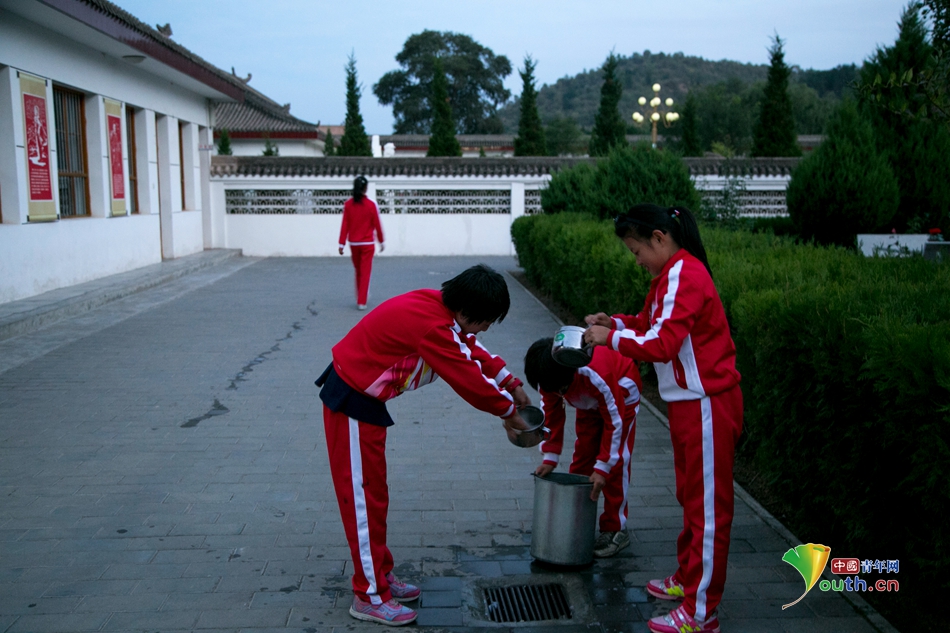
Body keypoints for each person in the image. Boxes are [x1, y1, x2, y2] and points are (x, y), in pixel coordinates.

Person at [316, 264, 532, 626]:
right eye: (486, 321)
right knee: (363, 503)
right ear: (466, 311)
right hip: (351, 404)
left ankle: (380, 577)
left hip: (364, 403)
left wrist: (508, 380)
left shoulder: (438, 307)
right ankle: (368, 596)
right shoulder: (433, 327)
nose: (486, 329)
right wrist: (509, 411)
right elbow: (467, 379)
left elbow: (468, 347)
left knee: (375, 497)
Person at [583, 204, 742, 633]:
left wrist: (609, 337)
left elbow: (663, 343)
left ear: (658, 238)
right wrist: (613, 321)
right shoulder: (669, 276)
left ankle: (701, 612)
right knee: (692, 499)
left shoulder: (684, 275)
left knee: (708, 511)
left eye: (636, 251)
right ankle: (689, 580)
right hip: (690, 404)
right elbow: (648, 324)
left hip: (707, 403)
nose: (636, 260)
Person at [524, 338, 641, 558]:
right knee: (582, 460)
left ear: (570, 374)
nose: (558, 394)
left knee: (615, 465)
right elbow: (551, 414)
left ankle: (615, 528)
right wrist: (550, 456)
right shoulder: (549, 377)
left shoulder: (595, 374)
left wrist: (604, 466)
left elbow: (614, 423)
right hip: (589, 400)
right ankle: (577, 519)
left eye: (562, 389)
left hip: (621, 391)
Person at [339, 175, 384, 310]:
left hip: (354, 244)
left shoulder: (348, 205)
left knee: (358, 271)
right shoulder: (371, 205)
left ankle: (360, 295)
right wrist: (381, 241)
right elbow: (377, 224)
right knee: (365, 272)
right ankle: (362, 301)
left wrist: (341, 243)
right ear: (365, 188)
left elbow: (345, 225)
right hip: (367, 244)